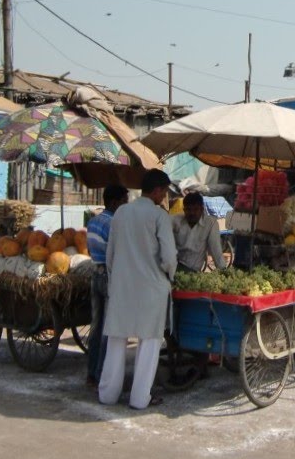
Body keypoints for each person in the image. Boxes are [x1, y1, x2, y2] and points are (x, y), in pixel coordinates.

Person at [98, 169, 178, 410]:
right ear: (157, 190)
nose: (164, 196)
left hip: (122, 286)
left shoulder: (121, 212)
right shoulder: (159, 216)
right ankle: (139, 398)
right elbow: (169, 257)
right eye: (164, 192)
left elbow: (110, 254)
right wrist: (170, 277)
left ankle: (108, 394)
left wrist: (116, 279)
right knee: (149, 344)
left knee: (116, 340)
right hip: (151, 289)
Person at [84, 184, 129, 388]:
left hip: (95, 274)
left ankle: (91, 373)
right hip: (109, 277)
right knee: (107, 329)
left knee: (96, 326)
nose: (125, 205)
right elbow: (118, 252)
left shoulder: (93, 221)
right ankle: (102, 373)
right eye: (123, 201)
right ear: (114, 202)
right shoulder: (114, 224)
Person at [172, 192, 227, 273]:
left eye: (195, 209)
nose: (192, 213)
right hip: (173, 265)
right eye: (188, 209)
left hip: (192, 269)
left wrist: (224, 272)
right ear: (184, 210)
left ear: (202, 209)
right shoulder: (175, 220)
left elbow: (215, 249)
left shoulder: (210, 223)